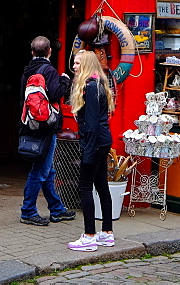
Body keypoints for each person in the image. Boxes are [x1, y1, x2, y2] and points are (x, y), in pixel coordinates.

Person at [19, 35, 75, 226]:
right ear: (50, 51)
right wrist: (65, 81)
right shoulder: (49, 70)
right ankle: (28, 211)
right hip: (46, 126)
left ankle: (57, 209)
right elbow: (56, 93)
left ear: (32, 52)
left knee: (47, 170)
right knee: (40, 172)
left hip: (31, 124)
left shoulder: (27, 71)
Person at [66, 50, 114, 252]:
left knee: (85, 187)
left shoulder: (91, 87)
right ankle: (107, 233)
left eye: (77, 63)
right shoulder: (99, 84)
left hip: (94, 143)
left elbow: (92, 124)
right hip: (102, 141)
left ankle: (89, 236)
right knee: (102, 185)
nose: (74, 67)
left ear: (86, 65)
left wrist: (88, 151)